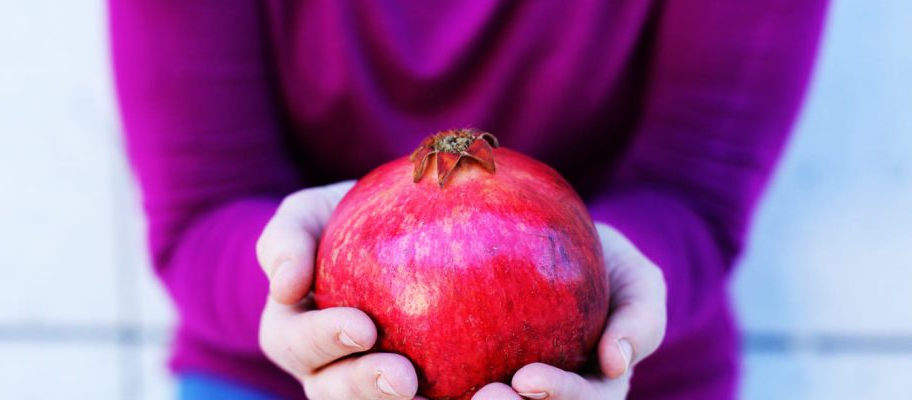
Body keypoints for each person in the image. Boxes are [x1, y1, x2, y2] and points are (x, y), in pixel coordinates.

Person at [110, 1, 827, 399]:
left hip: (620, 376)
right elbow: (202, 212)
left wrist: (606, 291)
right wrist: (293, 295)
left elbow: (695, 194)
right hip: (278, 374)